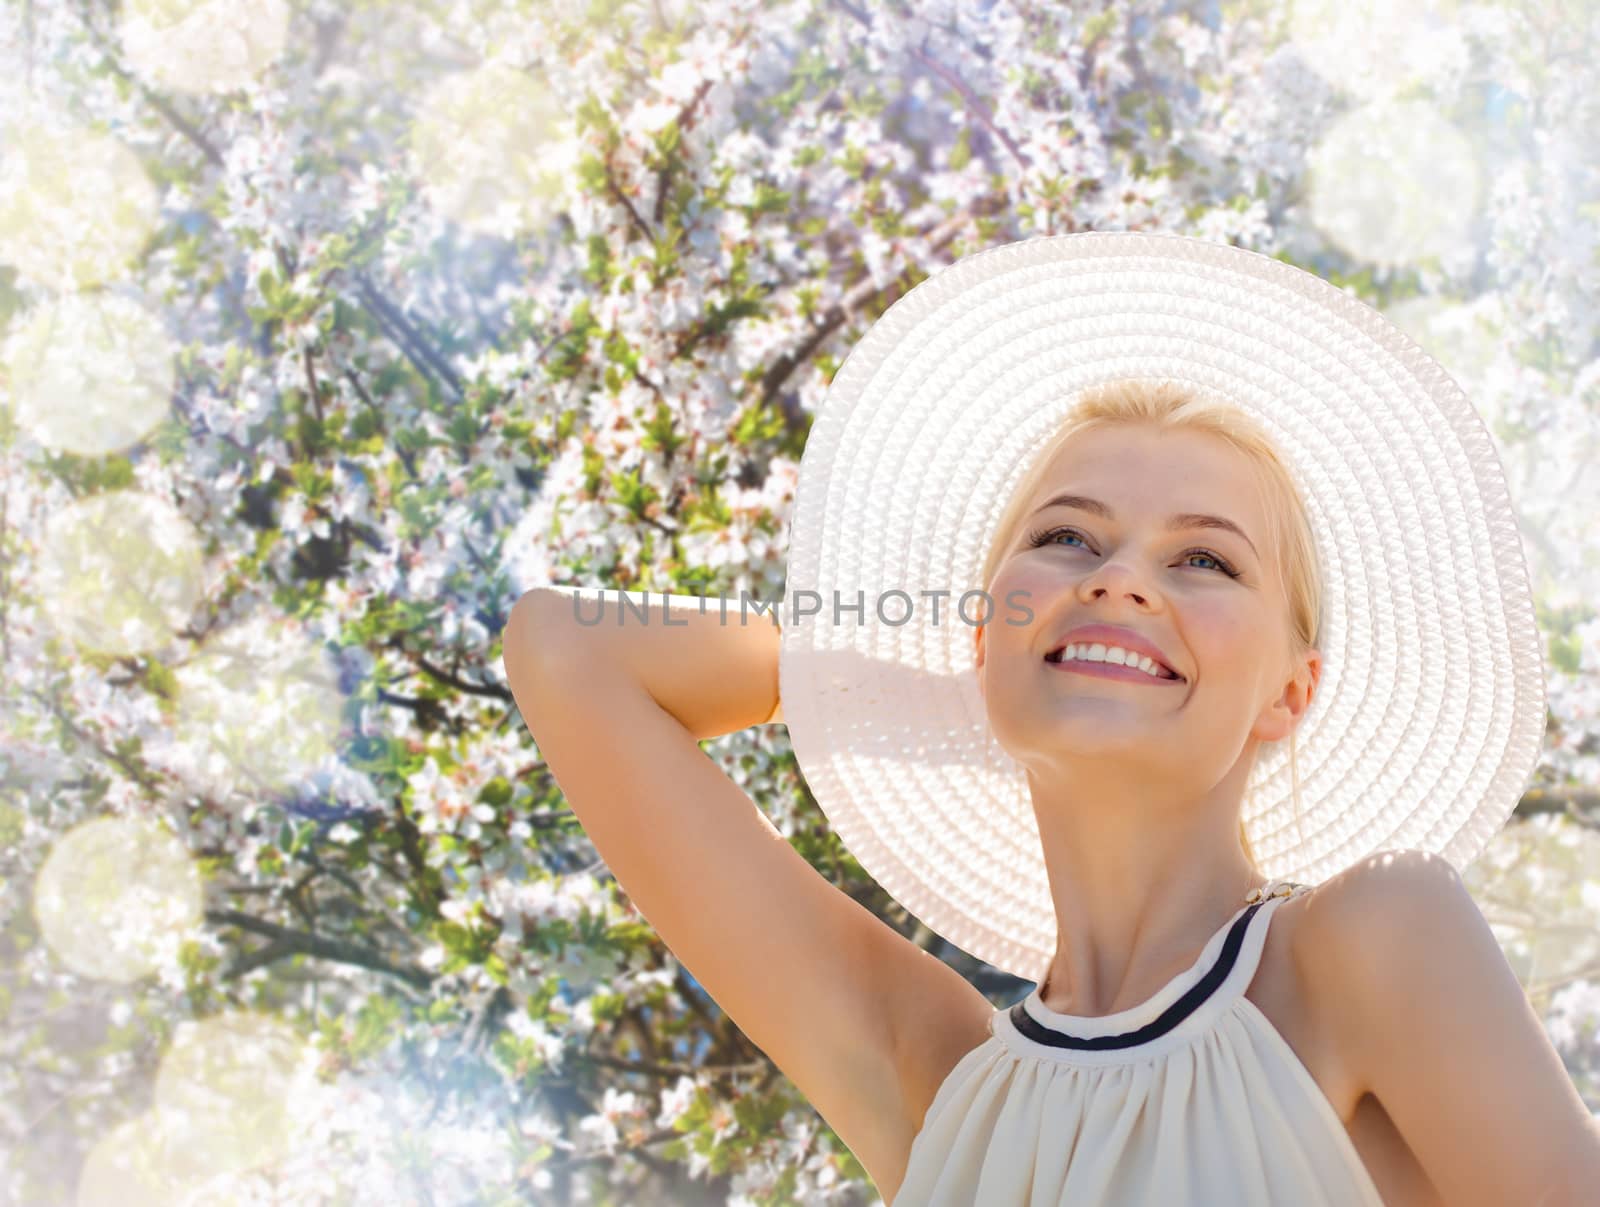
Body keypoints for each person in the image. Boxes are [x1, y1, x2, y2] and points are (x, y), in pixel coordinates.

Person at [501, 232, 1600, 1204]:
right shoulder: (936, 1080)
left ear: (1290, 691)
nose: (1120, 577)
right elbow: (563, 645)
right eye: (1069, 539)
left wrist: (1069, 654)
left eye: (1203, 558)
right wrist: (980, 671)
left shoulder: (1368, 943)